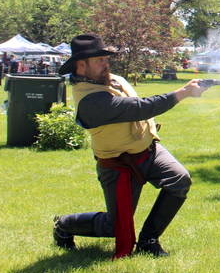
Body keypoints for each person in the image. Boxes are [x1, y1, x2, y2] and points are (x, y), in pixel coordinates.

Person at [51, 34, 205, 258]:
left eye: (106, 59)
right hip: (118, 164)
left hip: (148, 151)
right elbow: (141, 108)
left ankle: (149, 240)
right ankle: (64, 225)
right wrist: (183, 93)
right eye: (99, 60)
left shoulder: (115, 79)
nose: (106, 64)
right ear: (81, 65)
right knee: (114, 227)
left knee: (178, 180)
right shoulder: (91, 102)